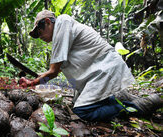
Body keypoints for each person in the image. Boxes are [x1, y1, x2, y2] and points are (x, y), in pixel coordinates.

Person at [19, 10, 162, 122]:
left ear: (48, 22)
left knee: (82, 111)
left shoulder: (62, 22)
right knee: (78, 103)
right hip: (99, 72)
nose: (41, 37)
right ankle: (122, 98)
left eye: (39, 31)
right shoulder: (62, 39)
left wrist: (34, 82)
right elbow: (53, 73)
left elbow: (53, 72)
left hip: (105, 68)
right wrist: (37, 80)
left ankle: (138, 106)